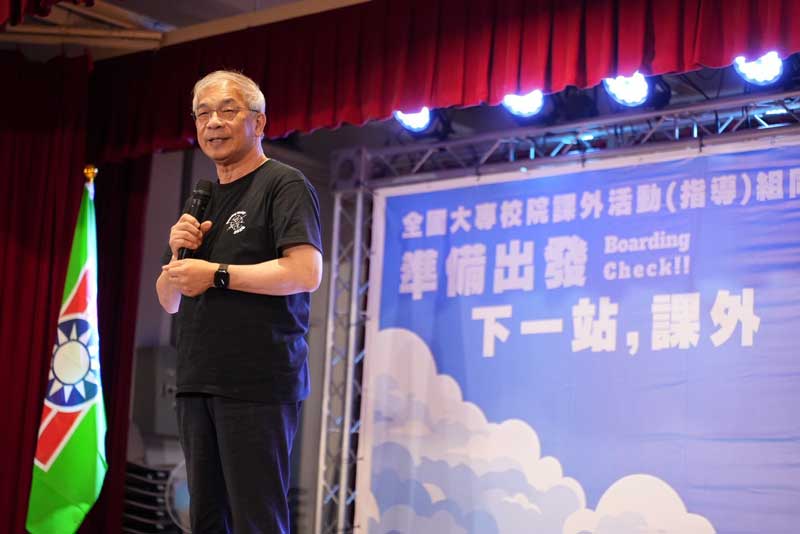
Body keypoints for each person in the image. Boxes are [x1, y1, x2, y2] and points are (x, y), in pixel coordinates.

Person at [156, 70, 323, 534]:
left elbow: (305, 272)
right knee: (206, 519)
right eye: (202, 114)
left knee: (256, 519)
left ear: (259, 122)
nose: (213, 122)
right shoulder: (201, 200)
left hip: (257, 382)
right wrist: (176, 254)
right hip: (198, 380)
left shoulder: (284, 184)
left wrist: (216, 274)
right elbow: (169, 301)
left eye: (227, 111)